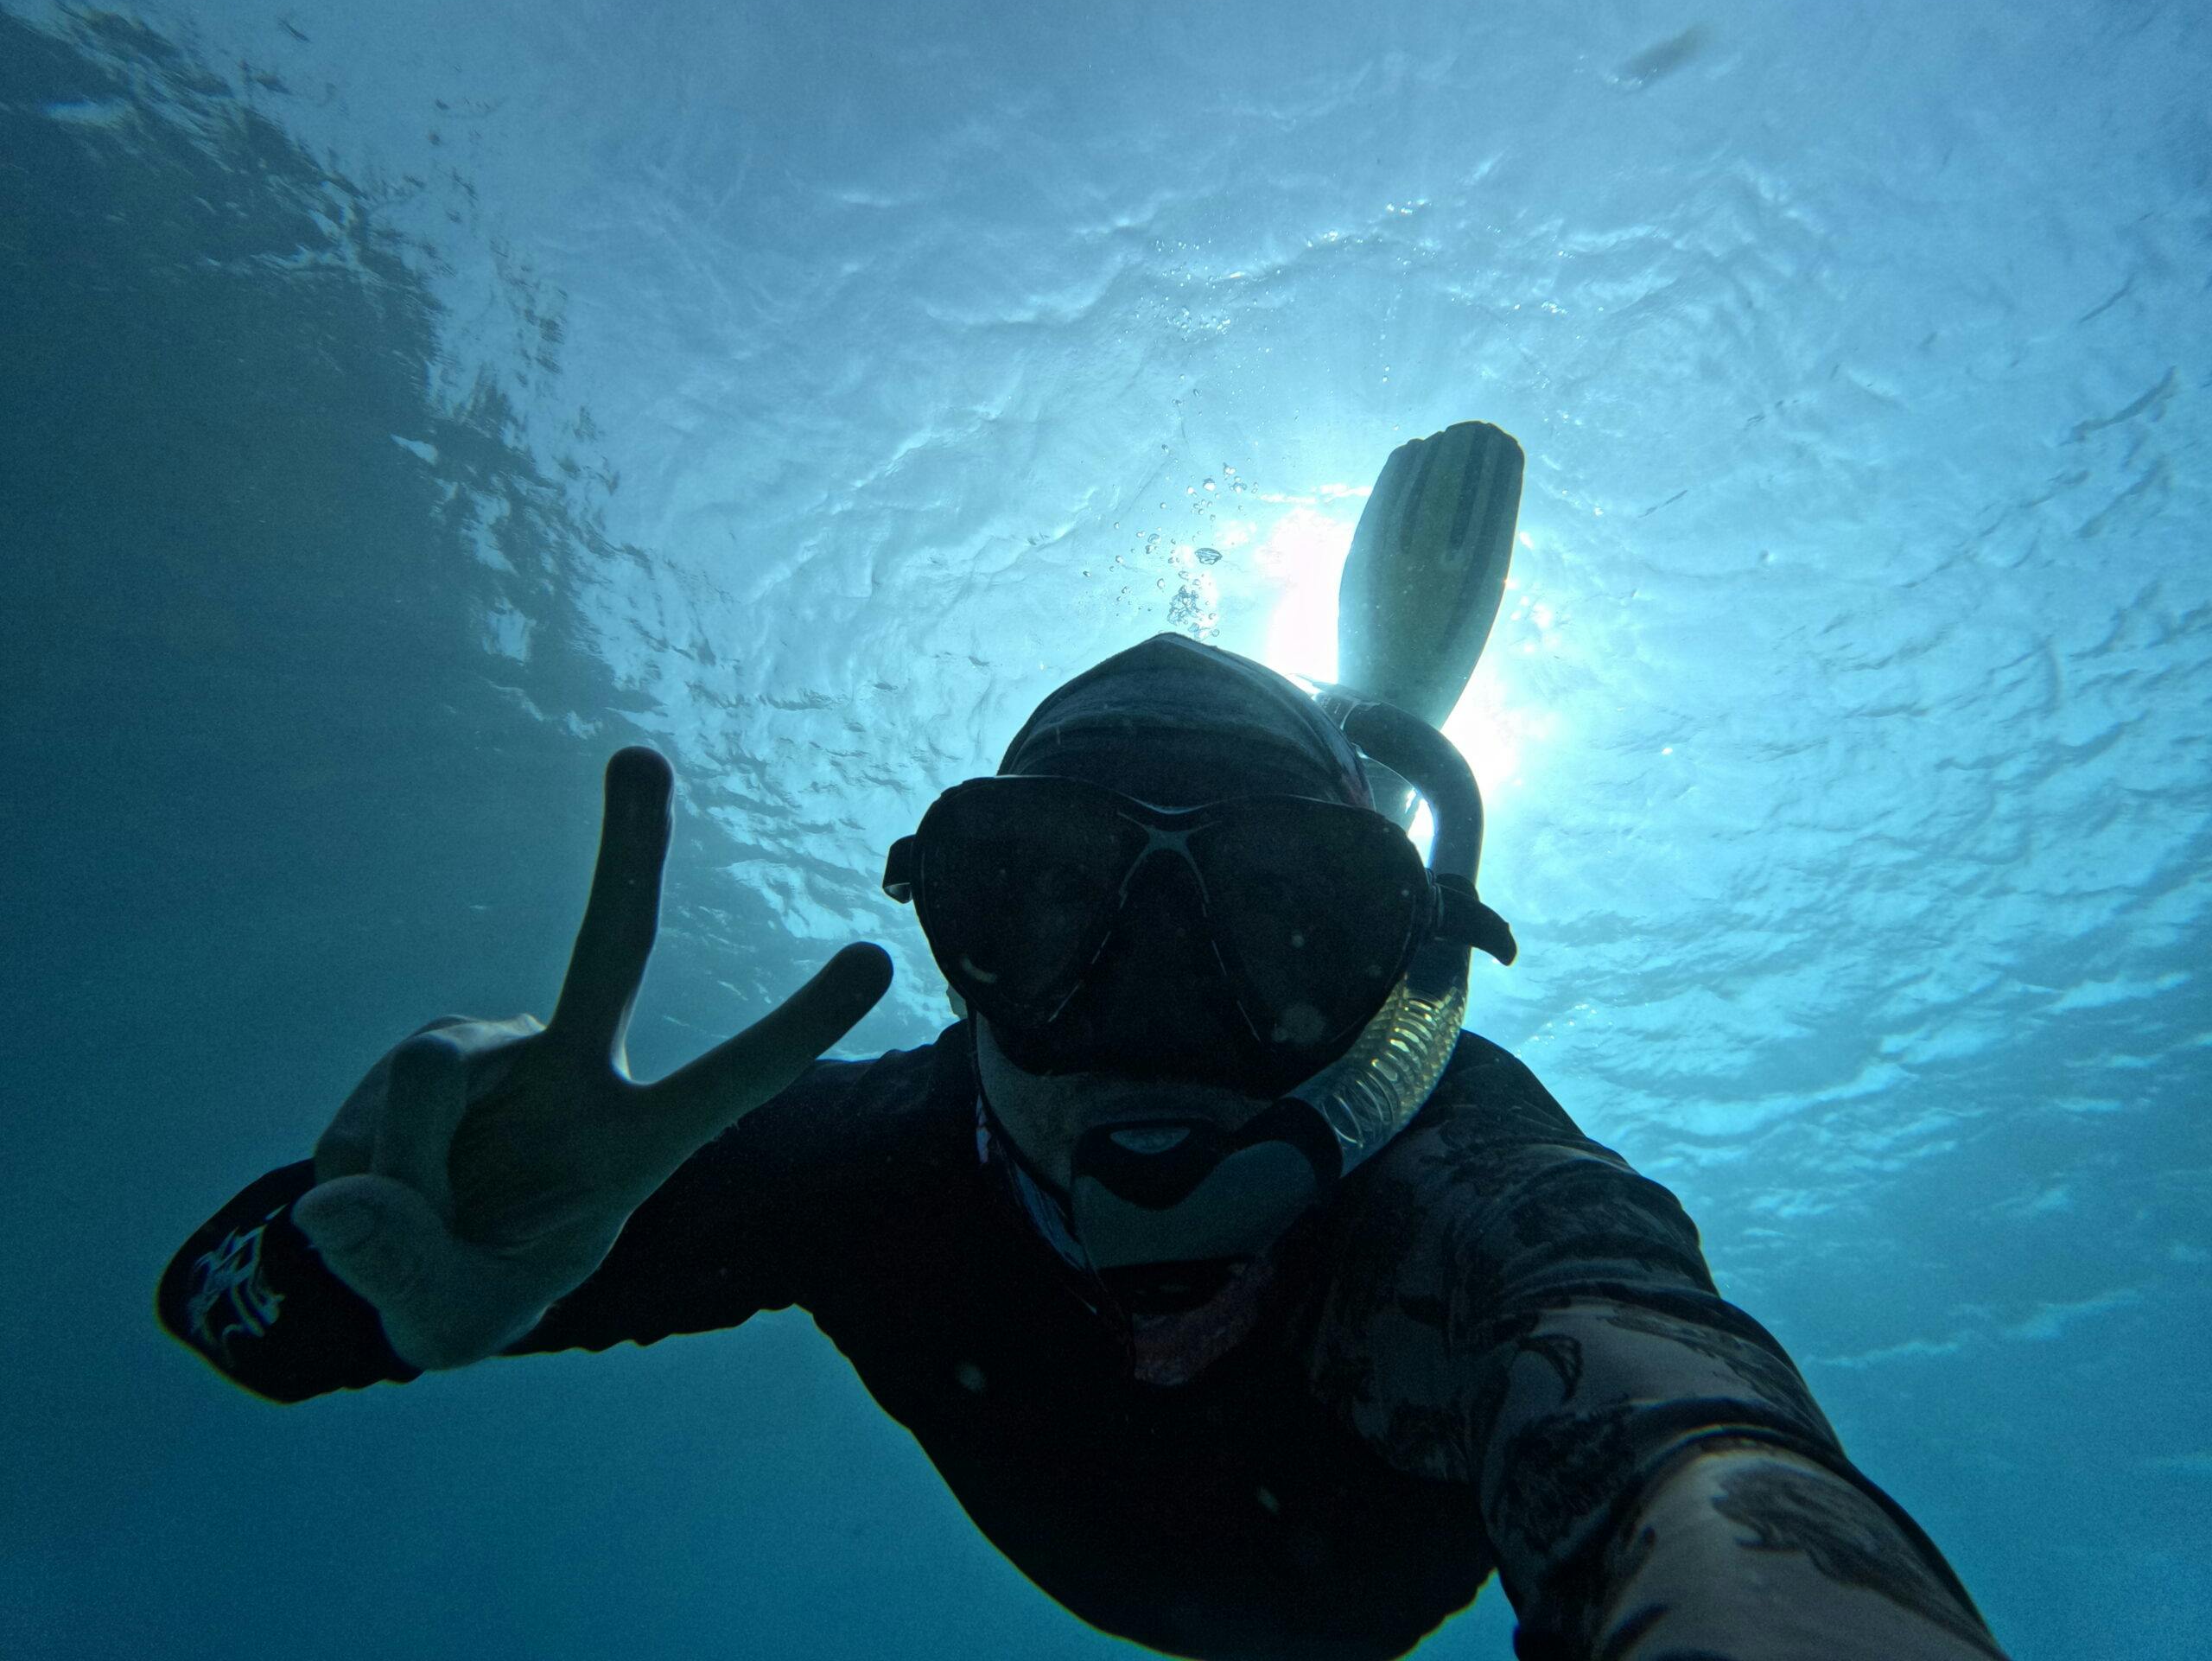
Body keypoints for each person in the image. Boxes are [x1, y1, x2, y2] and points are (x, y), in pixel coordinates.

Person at [160, 430, 2008, 1661]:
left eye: (1284, 930)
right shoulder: (873, 1161)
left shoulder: (1461, 1182)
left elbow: (1691, 1445)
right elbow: (212, 1309)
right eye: (1039, 909)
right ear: (957, 950)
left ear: (1398, 972)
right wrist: (370, 1261)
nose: (1152, 1041)